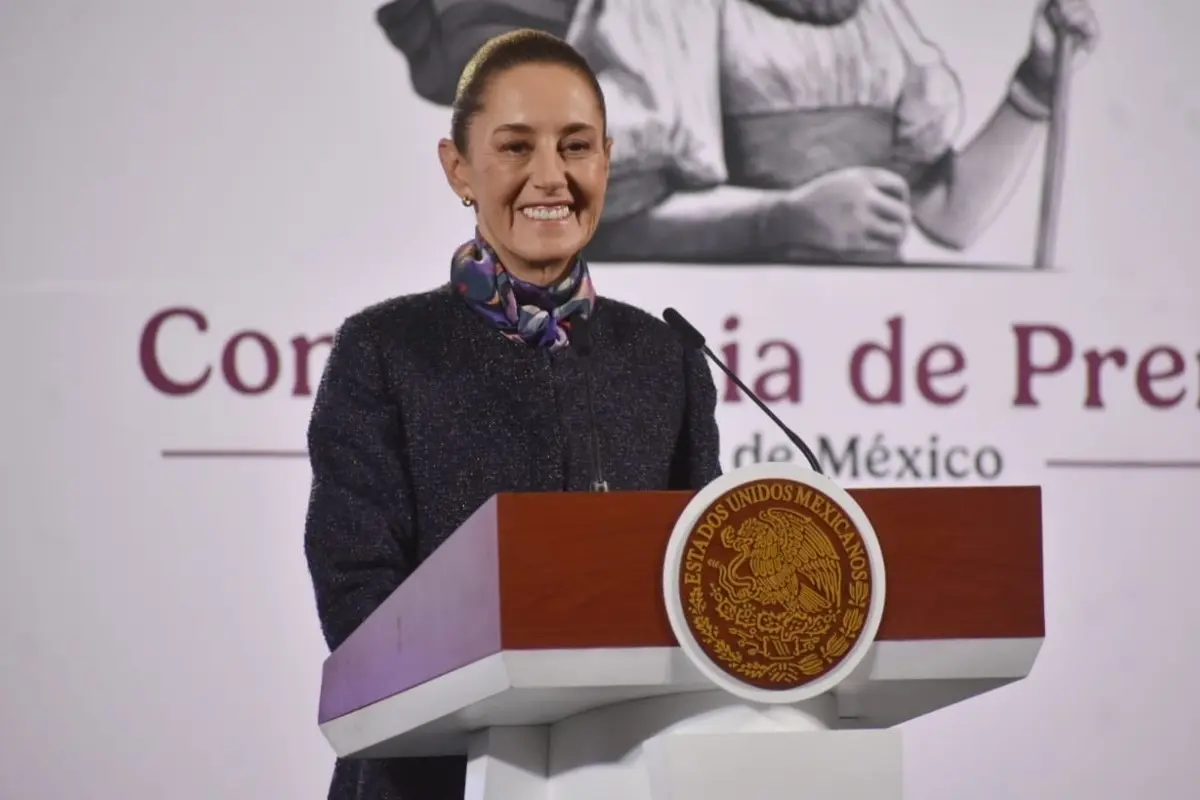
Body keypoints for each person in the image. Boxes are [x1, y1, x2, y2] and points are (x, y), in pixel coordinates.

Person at [303, 29, 723, 800]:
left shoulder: (667, 360)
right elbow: (357, 596)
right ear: (458, 168)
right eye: (515, 148)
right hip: (427, 777)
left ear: (607, 160)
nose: (550, 177)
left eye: (576, 146)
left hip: (633, 772)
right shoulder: (386, 351)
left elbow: (707, 589)